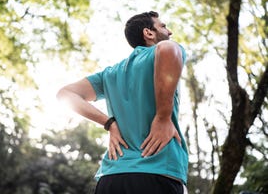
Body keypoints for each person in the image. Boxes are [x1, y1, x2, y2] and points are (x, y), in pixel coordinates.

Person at [57, 11, 188, 194]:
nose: (169, 32)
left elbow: (65, 94)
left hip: (111, 178)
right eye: (163, 26)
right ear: (148, 33)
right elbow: (169, 49)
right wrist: (163, 117)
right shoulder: (163, 51)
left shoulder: (109, 74)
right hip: (157, 172)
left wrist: (109, 123)